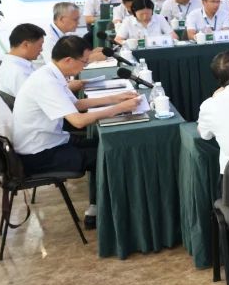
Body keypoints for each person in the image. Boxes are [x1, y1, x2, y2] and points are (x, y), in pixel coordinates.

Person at [12, 36, 140, 225]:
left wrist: (115, 98)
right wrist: (119, 108)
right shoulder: (46, 82)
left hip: (53, 142)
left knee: (109, 145)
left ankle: (100, 204)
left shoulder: (51, 74)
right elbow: (78, 121)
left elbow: (76, 104)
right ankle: (108, 212)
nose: (85, 66)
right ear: (68, 60)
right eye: (84, 62)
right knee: (109, 154)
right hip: (39, 155)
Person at [43, 2, 104, 67]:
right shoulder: (48, 38)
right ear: (62, 19)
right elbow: (56, 65)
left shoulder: (67, 33)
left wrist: (90, 53)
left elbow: (75, 55)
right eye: (75, 19)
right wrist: (89, 59)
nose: (78, 23)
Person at [0, 24, 46, 97]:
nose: (41, 49)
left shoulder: (9, 65)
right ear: (26, 44)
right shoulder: (20, 73)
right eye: (40, 45)